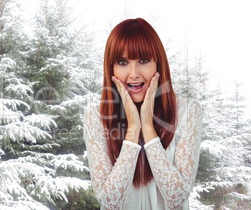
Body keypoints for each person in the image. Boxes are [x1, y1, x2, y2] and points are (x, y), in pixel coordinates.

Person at [83, 18, 202, 210]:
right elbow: (109, 202)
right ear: (110, 68)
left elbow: (177, 197)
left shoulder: (187, 111)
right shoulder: (95, 117)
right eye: (122, 62)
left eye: (143, 61)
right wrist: (133, 129)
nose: (133, 74)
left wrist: (147, 127)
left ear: (158, 65)